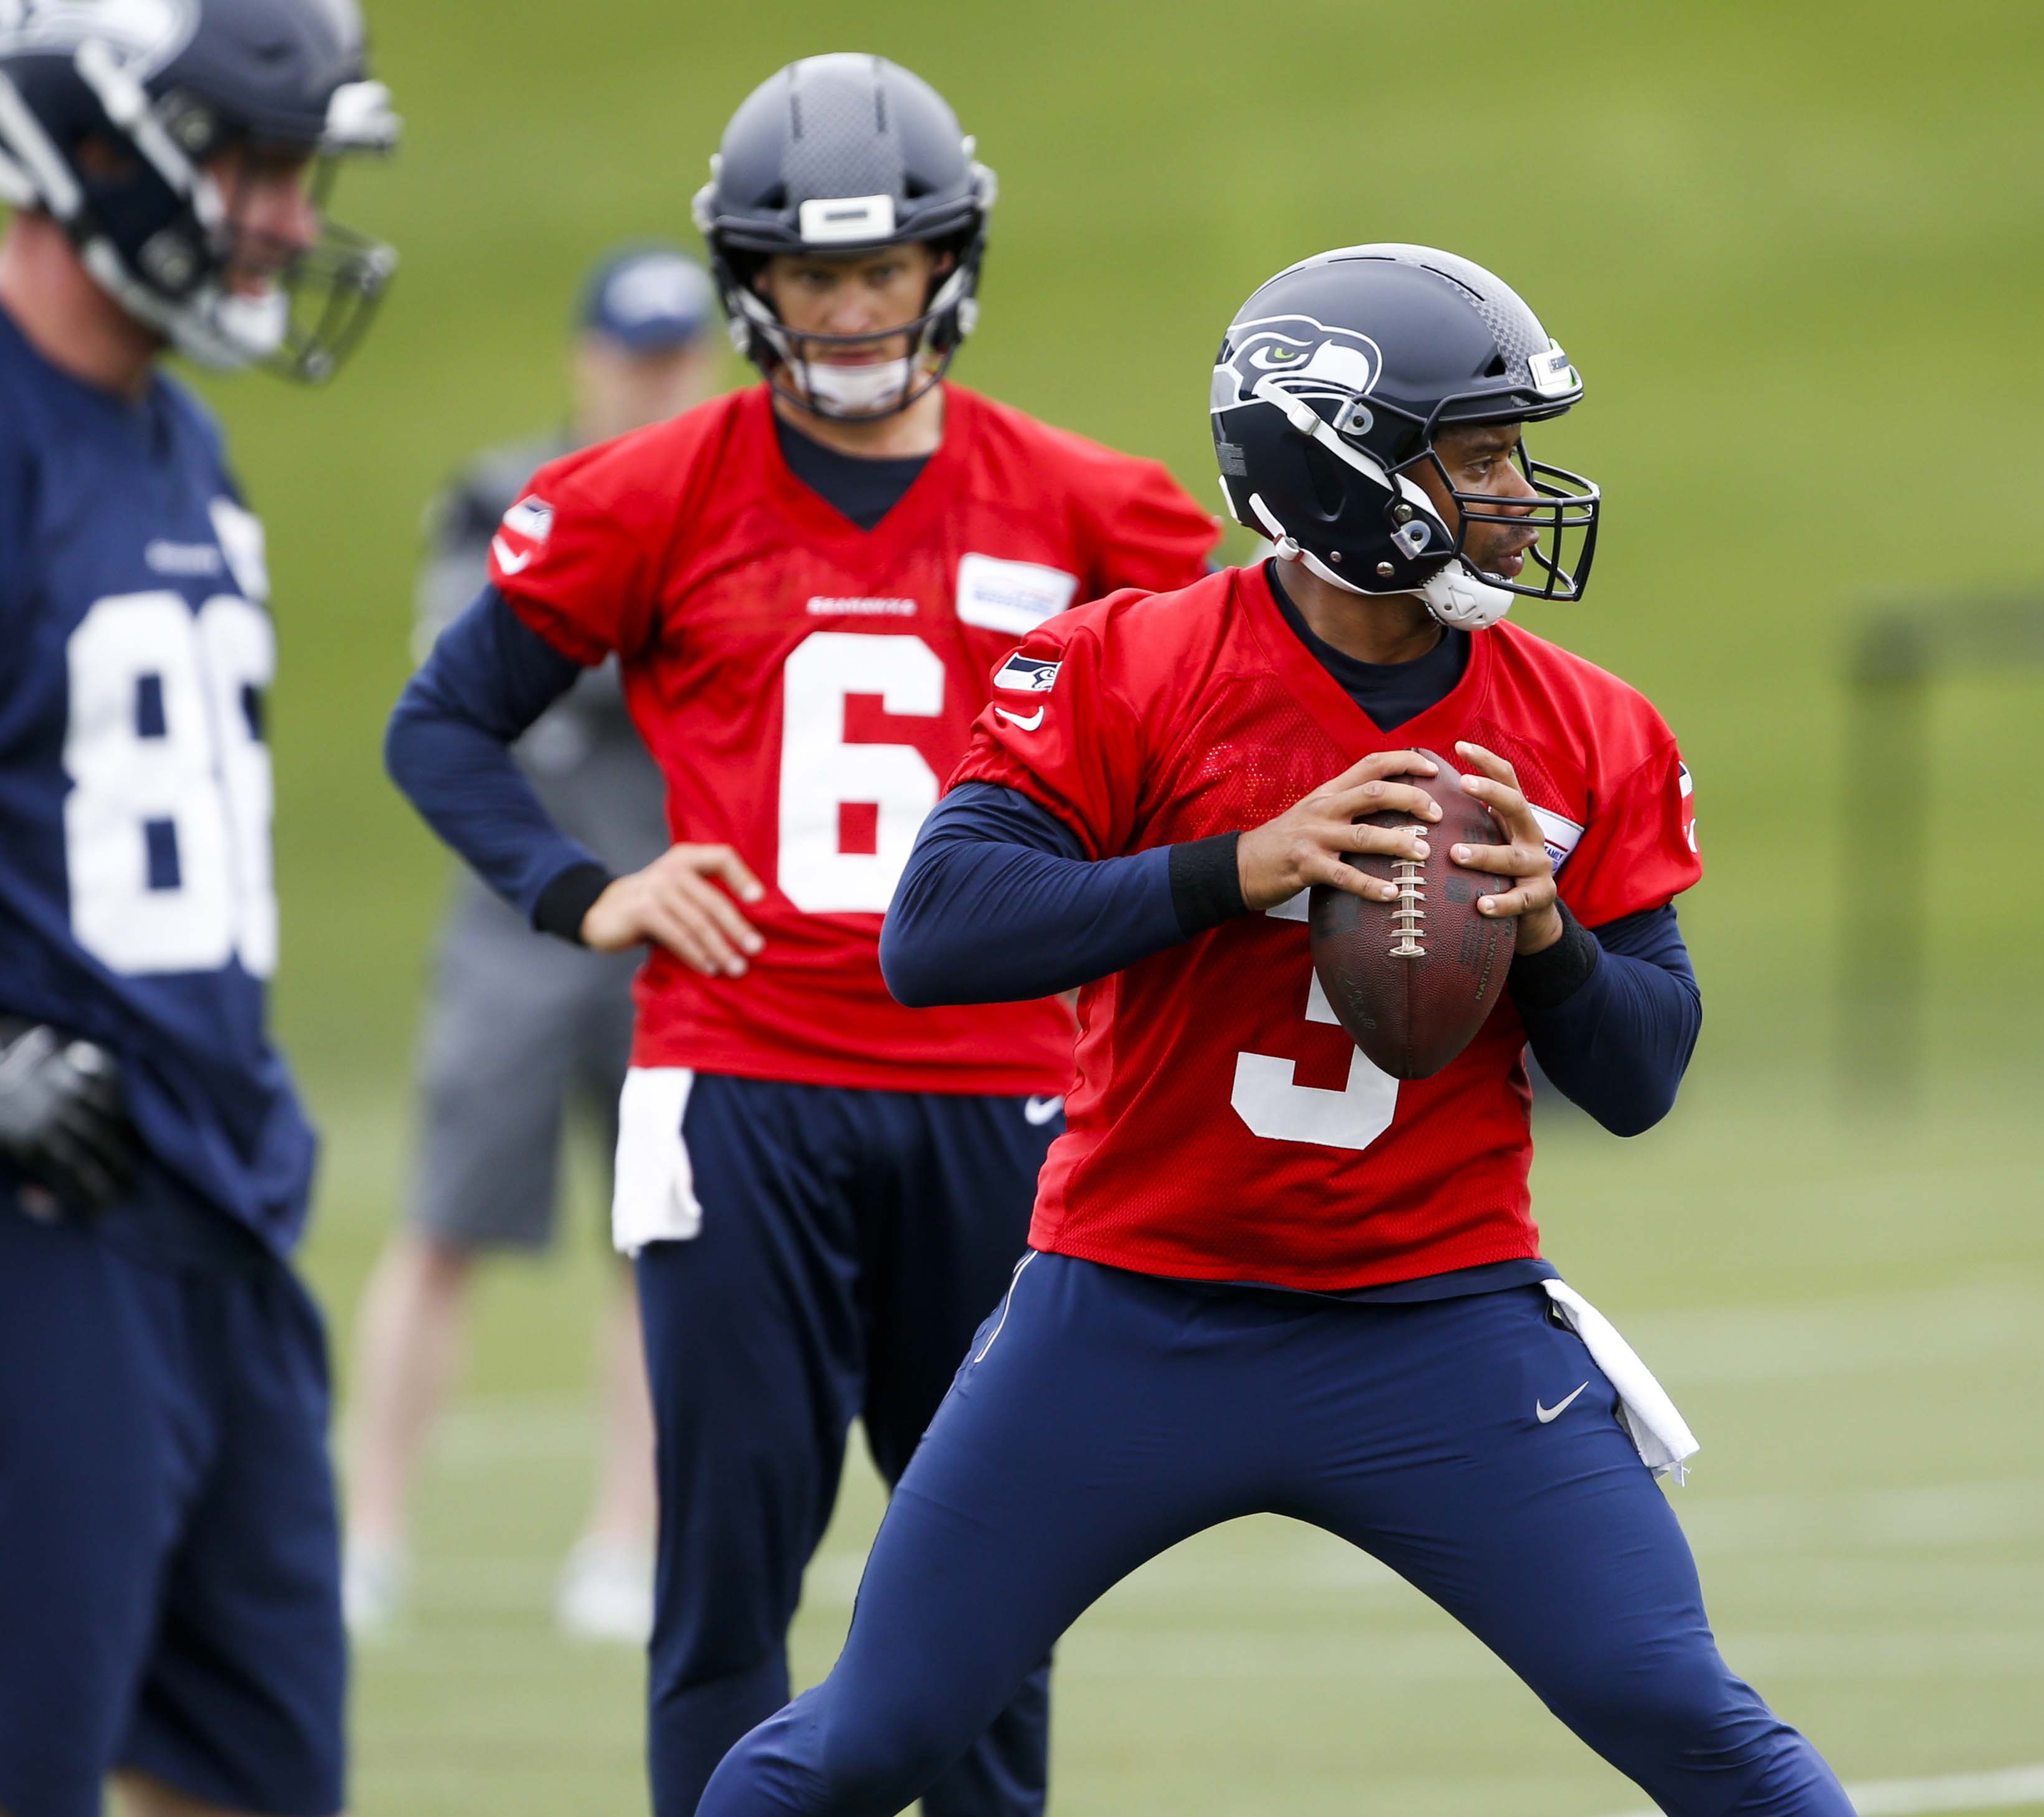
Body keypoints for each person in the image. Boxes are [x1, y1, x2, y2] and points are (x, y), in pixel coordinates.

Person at [697, 245, 1858, 1817]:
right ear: (1337, 464)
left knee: (1687, 1713)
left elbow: (1642, 1076)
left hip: (1437, 1322)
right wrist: (1237, 868)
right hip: (1130, 1310)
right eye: (1477, 455)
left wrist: (1550, 944)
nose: (1517, 495)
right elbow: (938, 931)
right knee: (871, 1739)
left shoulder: (1587, 723)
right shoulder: (1126, 666)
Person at [381, 53, 1220, 1817]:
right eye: (812, 273)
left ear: (946, 264)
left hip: (1002, 1093)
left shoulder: (1094, 503)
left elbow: (1225, 730)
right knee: (726, 1576)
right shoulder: (647, 489)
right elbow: (444, 721)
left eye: (881, 267)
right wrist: (588, 889)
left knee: (991, 1579)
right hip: (740, 1085)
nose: (848, 307)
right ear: (751, 281)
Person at [0, 4, 399, 1816]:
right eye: (253, 165)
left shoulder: (179, 442)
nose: (291, 223)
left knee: (260, 1771)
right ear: (92, 144)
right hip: (47, 1218)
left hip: (219, 1204)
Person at [340, 245, 718, 1645]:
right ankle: (369, 1534)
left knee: (653, 1240)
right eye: (632, 357)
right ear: (586, 358)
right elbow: (478, 664)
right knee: (443, 1225)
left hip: (667, 923)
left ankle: (625, 1539)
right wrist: (647, 612)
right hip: (512, 925)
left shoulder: (725, 512)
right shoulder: (503, 494)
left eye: (676, 360)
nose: (652, 384)